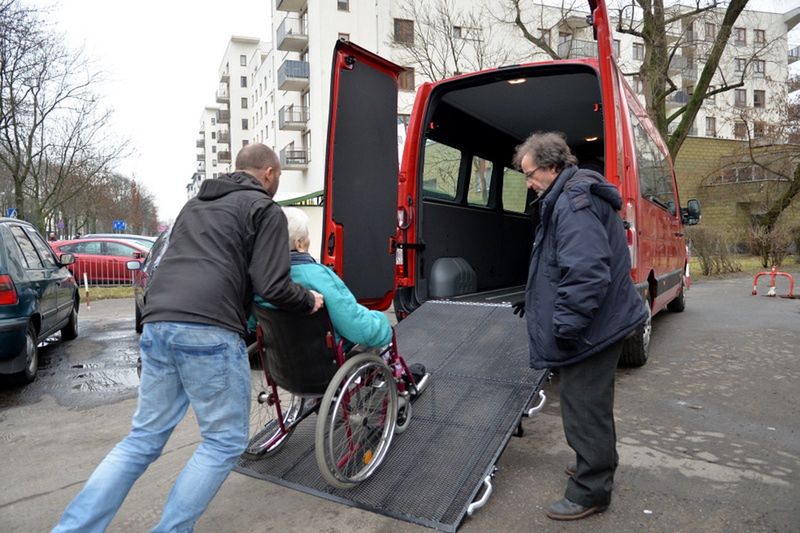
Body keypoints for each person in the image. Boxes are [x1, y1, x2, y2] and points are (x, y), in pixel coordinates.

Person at [53, 144, 324, 533]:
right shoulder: (263, 208)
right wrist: (308, 299)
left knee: (142, 440)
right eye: (277, 176)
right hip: (210, 330)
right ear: (268, 173)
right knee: (224, 442)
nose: (277, 183)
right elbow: (272, 285)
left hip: (158, 322)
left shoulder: (193, 207)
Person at [512, 132, 647, 521]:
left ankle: (591, 490)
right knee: (588, 404)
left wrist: (566, 326)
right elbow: (560, 266)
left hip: (593, 327)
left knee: (584, 407)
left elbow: (587, 272)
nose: (528, 182)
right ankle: (596, 464)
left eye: (531, 174)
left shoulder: (572, 203)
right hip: (599, 322)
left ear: (552, 167)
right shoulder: (565, 196)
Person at [253, 207, 391, 350]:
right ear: (299, 244)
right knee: (376, 338)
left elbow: (253, 324)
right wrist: (382, 323)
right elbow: (356, 326)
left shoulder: (261, 279)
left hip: (282, 362)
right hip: (326, 362)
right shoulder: (318, 276)